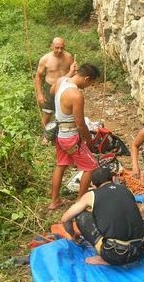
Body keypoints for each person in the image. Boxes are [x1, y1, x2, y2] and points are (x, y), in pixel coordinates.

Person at [61, 168, 144, 266]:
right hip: (140, 250)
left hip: (116, 254)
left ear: (93, 185)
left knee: (82, 216)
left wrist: (74, 234)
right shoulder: (126, 191)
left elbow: (65, 219)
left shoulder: (92, 194)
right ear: (113, 179)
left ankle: (104, 257)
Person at [48, 63, 100, 210]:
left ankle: (54, 201)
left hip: (59, 134)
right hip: (70, 137)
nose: (88, 87)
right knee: (90, 166)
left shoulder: (61, 81)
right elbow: (80, 123)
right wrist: (89, 140)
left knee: (61, 164)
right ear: (87, 78)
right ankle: (80, 202)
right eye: (90, 84)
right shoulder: (76, 95)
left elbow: (52, 92)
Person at [35, 37, 77, 145]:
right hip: (50, 87)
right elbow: (38, 77)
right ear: (51, 47)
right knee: (47, 114)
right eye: (57, 48)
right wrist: (39, 94)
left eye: (61, 48)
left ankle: (63, 136)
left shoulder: (68, 57)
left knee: (65, 113)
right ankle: (46, 136)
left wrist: (74, 72)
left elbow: (74, 73)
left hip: (65, 87)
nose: (59, 50)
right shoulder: (45, 59)